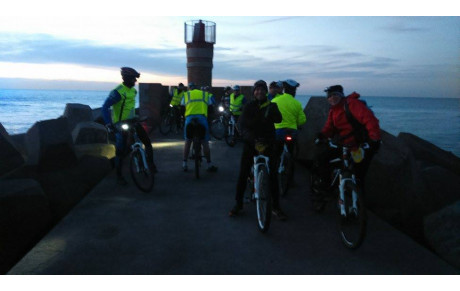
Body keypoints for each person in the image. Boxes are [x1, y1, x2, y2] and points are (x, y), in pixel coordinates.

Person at [312, 85, 381, 210]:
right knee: (321, 159)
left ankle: (359, 205)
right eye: (329, 96)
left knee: (359, 177)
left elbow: (370, 120)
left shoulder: (352, 104)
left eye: (335, 95)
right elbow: (329, 128)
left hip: (360, 145)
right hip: (344, 145)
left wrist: (374, 139)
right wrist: (322, 135)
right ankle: (325, 190)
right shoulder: (333, 110)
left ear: (341, 95)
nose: (332, 98)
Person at [229, 80, 287, 220]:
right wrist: (250, 138)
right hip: (251, 144)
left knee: (273, 175)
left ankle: (276, 207)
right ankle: (238, 203)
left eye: (262, 90)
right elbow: (241, 125)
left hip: (268, 143)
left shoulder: (272, 105)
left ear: (266, 92)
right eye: (257, 90)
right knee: (243, 173)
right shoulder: (249, 106)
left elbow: (279, 119)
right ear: (253, 92)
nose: (259, 92)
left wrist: (271, 109)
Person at [102, 67, 157, 185]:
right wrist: (108, 124)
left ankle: (151, 165)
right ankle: (119, 176)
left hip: (132, 121)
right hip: (121, 123)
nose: (135, 81)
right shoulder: (117, 92)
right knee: (120, 150)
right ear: (126, 79)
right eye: (133, 79)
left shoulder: (133, 91)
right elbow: (104, 107)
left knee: (147, 142)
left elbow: (130, 108)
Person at [181, 82, 218, 172]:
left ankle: (184, 163)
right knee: (205, 142)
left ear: (189, 88)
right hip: (202, 119)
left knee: (188, 141)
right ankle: (209, 164)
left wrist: (183, 117)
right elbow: (210, 108)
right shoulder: (205, 94)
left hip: (189, 119)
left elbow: (182, 108)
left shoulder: (186, 95)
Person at [271, 79, 306, 156]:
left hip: (278, 131)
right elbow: (302, 120)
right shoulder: (297, 103)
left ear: (284, 89)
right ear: (294, 91)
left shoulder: (275, 100)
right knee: (291, 149)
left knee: (276, 152)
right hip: (292, 130)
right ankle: (291, 160)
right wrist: (295, 123)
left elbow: (270, 117)